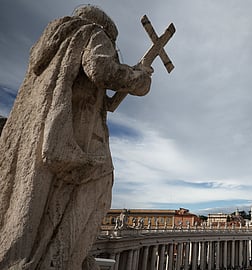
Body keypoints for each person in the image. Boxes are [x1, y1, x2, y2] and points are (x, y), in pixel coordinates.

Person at [0, 5, 152, 270]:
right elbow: (101, 68)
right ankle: (60, 258)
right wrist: (139, 78)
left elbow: (97, 93)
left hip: (41, 136)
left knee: (35, 204)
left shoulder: (52, 47)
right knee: (100, 184)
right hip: (77, 137)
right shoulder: (93, 32)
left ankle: (46, 255)